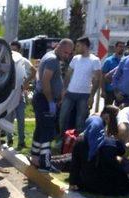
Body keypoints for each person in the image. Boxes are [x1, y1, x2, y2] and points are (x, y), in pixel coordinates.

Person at [68, 105, 129, 196]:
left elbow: (75, 165)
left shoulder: (79, 142)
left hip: (86, 185)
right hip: (109, 187)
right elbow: (122, 151)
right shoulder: (109, 142)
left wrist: (72, 183)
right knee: (124, 165)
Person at [30, 38, 74, 172]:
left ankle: (35, 158)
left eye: (69, 53)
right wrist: (50, 101)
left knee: (40, 129)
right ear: (59, 47)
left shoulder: (50, 57)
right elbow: (45, 81)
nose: (67, 56)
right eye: (65, 52)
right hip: (44, 99)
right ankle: (45, 163)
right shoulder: (52, 60)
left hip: (42, 98)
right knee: (47, 132)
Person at [59, 36, 102, 133]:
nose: (76, 48)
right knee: (63, 117)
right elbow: (68, 74)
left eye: (78, 46)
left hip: (84, 95)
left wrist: (92, 96)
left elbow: (97, 79)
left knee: (80, 120)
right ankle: (63, 139)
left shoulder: (95, 60)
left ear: (84, 46)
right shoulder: (75, 58)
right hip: (70, 93)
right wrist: (64, 89)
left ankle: (77, 142)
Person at [6, 40, 35, 149]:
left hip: (19, 96)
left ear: (19, 50)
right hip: (8, 97)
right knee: (8, 120)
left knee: (21, 120)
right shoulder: (6, 60)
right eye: (11, 49)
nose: (12, 52)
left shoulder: (23, 60)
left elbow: (34, 72)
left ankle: (21, 142)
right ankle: (9, 140)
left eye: (14, 50)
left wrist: (25, 82)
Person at [101, 41, 125, 106]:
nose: (122, 48)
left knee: (120, 111)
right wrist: (103, 91)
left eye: (123, 47)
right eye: (120, 46)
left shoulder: (126, 61)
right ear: (115, 48)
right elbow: (103, 77)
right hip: (109, 90)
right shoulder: (109, 61)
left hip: (121, 91)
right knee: (107, 110)